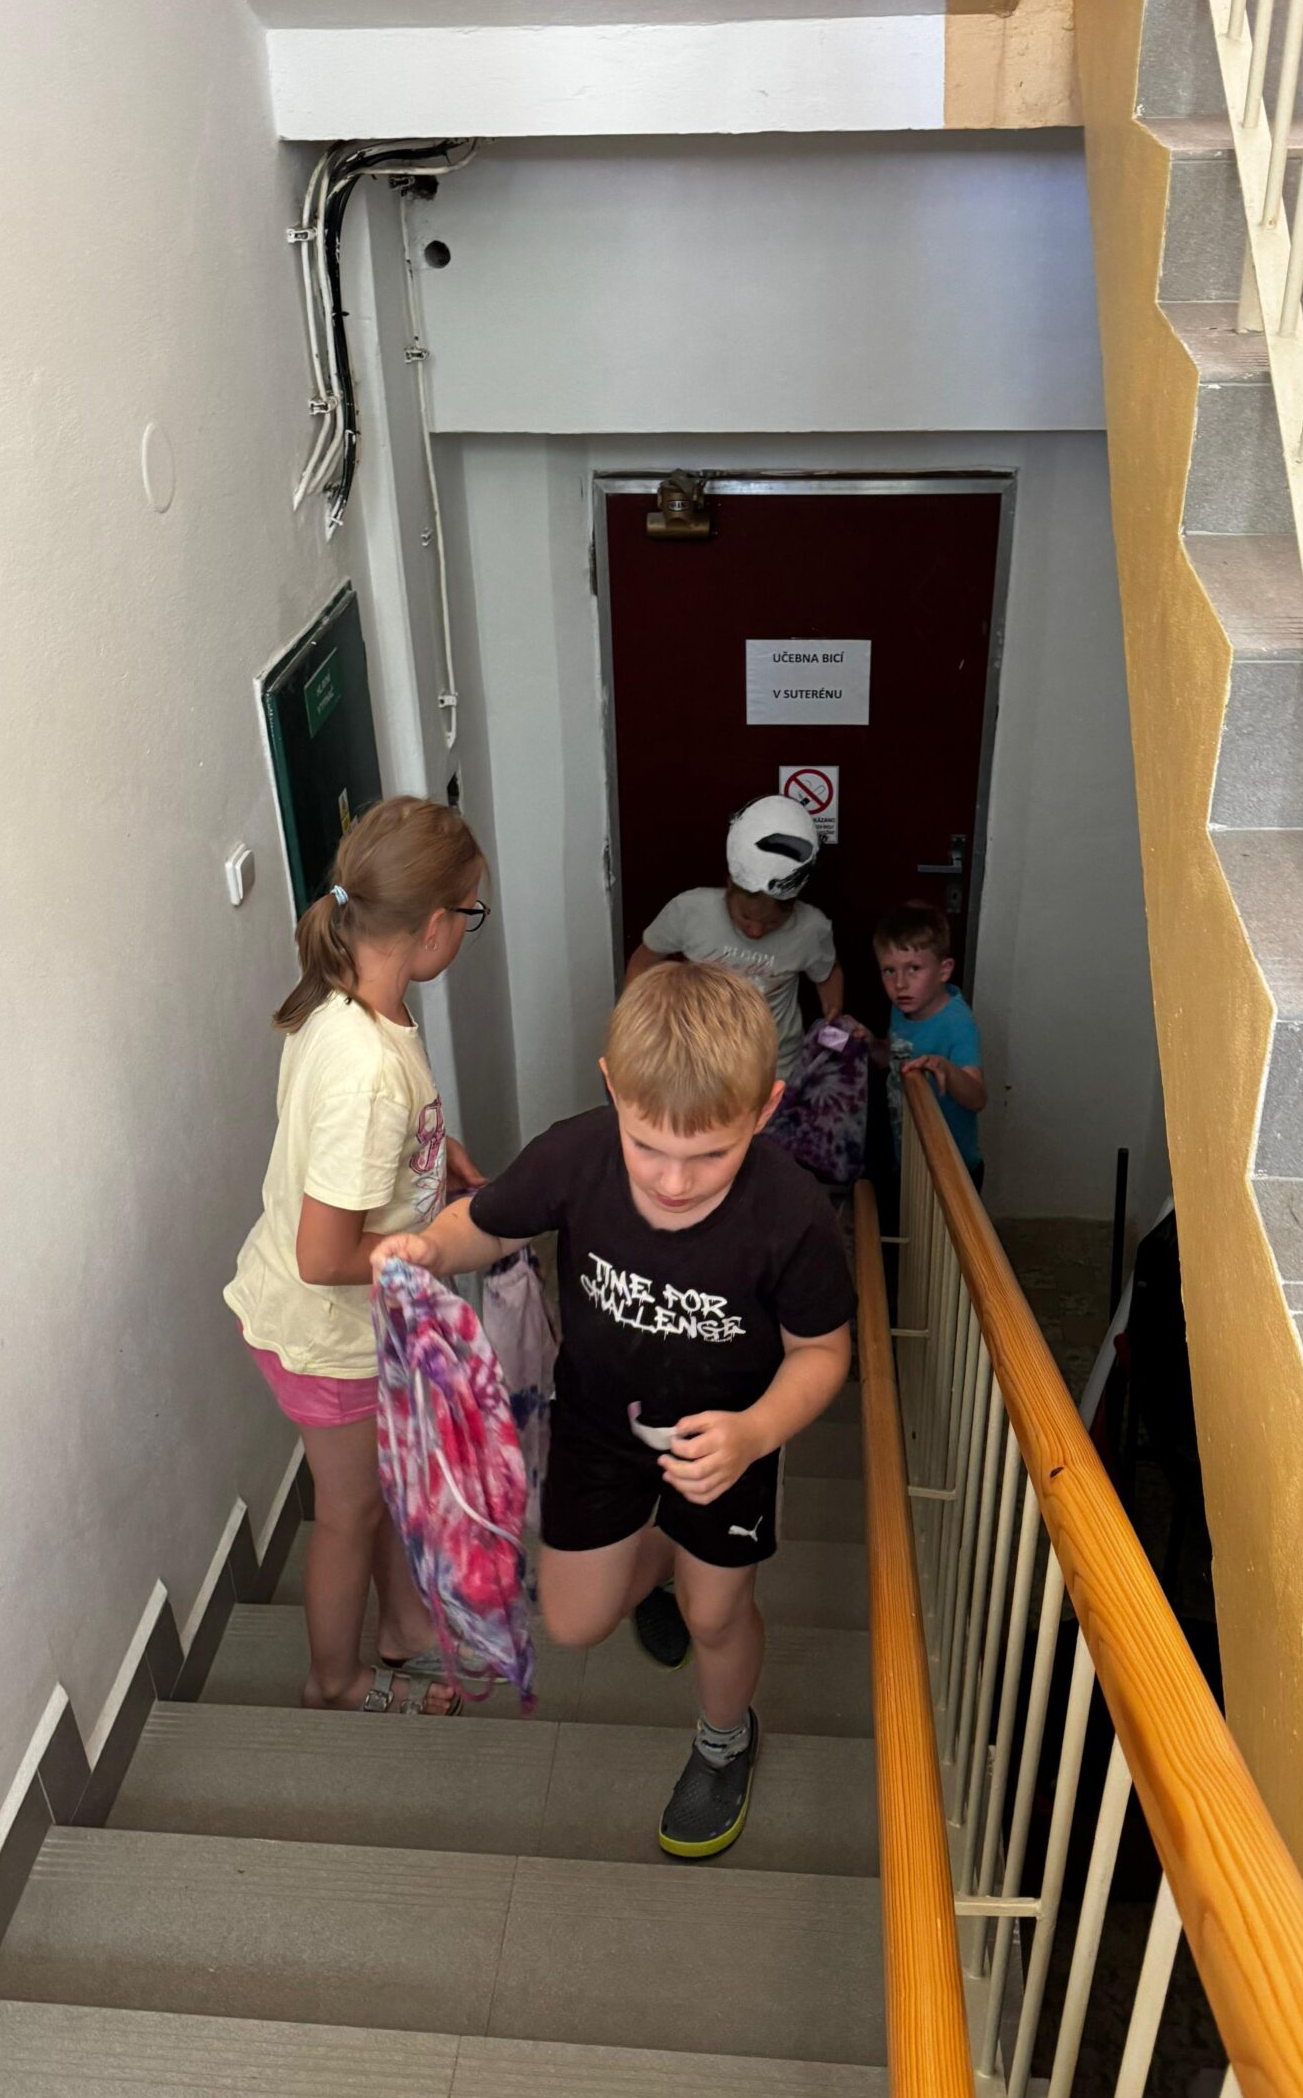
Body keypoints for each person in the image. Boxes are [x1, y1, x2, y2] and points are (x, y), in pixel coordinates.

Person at [375, 963, 853, 1858]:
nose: (675, 1181)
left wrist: (755, 1432)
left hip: (727, 1446)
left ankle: (725, 1740)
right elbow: (491, 1220)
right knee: (574, 1622)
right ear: (612, 1091)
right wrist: (431, 1246)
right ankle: (664, 1558)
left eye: (710, 1155)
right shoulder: (578, 1153)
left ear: (765, 1109)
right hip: (598, 1427)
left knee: (715, 1617)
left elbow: (823, 1354)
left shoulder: (793, 1217)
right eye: (649, 1147)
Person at [225, 796, 491, 1716]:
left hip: (341, 1323)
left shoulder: (344, 996)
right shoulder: (369, 1073)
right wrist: (434, 1246)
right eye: (470, 913)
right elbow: (323, 1253)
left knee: (382, 1483)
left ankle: (405, 1628)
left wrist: (433, 1154)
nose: (468, 929)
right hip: (329, 1336)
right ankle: (333, 1679)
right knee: (349, 1513)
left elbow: (358, 1150)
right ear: (433, 927)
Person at [626, 793, 843, 1082]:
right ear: (729, 886)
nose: (755, 931)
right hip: (700, 1063)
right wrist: (638, 1020)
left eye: (771, 923)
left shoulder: (811, 929)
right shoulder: (689, 911)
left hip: (775, 1068)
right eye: (745, 918)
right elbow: (643, 961)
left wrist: (833, 1015)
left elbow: (827, 973)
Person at [870, 900, 987, 1188]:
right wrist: (871, 1046)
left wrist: (945, 1067)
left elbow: (977, 1098)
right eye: (889, 970)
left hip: (953, 1172)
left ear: (944, 970)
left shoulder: (957, 1023)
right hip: (908, 1153)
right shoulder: (902, 1007)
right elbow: (895, 1056)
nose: (900, 983)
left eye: (914, 968)